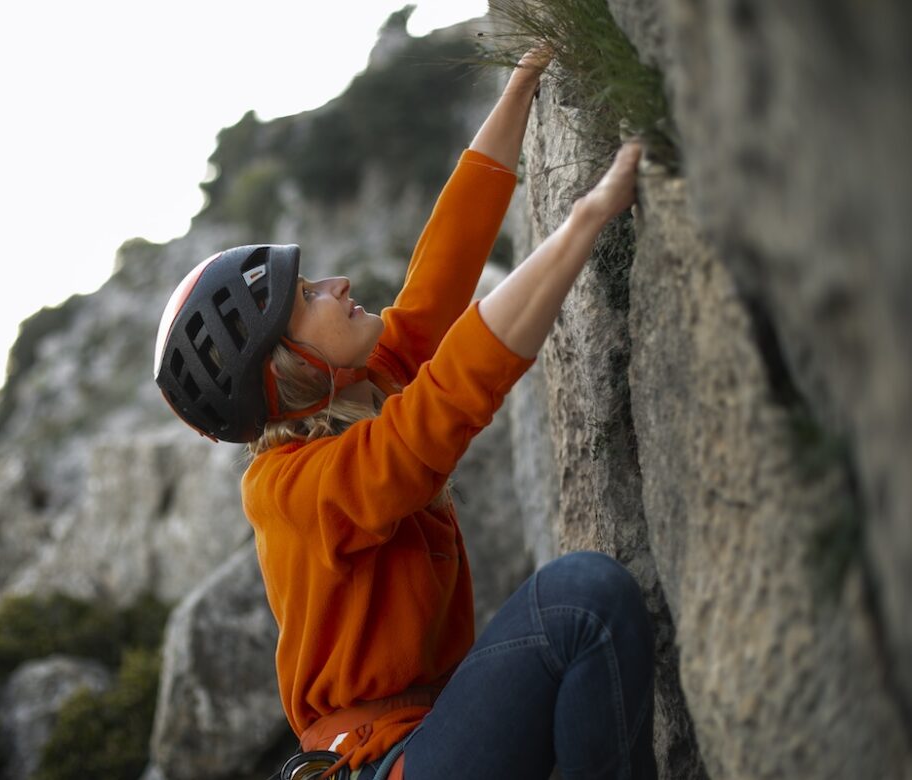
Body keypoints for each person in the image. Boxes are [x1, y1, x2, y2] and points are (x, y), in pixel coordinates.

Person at [154, 48, 656, 780]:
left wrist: (520, 86)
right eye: (309, 298)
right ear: (287, 366)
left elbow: (438, 277)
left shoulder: (359, 390)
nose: (338, 283)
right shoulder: (291, 490)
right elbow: (439, 408)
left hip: (430, 738)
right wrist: (585, 222)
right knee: (582, 601)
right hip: (382, 763)